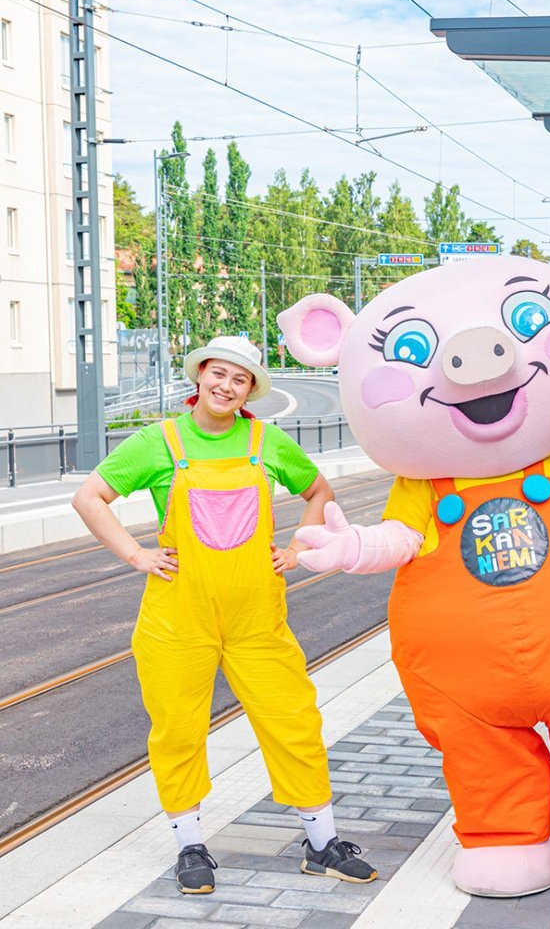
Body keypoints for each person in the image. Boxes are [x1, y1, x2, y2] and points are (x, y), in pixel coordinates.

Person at [72, 336, 376, 895]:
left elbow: (320, 493)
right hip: (176, 619)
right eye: (218, 374)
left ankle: (322, 844)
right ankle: (190, 845)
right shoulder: (158, 442)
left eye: (239, 380)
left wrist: (298, 550)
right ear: (199, 377)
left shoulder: (267, 439)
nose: (225, 386)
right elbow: (89, 497)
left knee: (293, 721)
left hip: (257, 617)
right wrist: (137, 554)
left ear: (250, 390)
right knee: (178, 731)